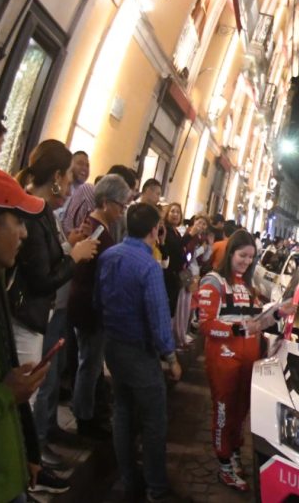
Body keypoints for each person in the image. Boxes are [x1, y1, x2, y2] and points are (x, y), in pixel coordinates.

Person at [10, 140, 98, 487]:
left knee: (32, 393)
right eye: (69, 178)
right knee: (25, 397)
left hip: (37, 316)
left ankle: (27, 467)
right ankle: (24, 472)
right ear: (58, 176)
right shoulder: (31, 211)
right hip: (26, 318)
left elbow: (45, 260)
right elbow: (40, 279)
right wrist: (74, 257)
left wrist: (68, 245)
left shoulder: (41, 210)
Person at [97, 203, 185, 502]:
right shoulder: (148, 266)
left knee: (122, 412)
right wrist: (171, 358)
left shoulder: (109, 255)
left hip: (113, 345)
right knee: (153, 421)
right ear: (154, 230)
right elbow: (158, 317)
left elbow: (98, 299)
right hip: (138, 351)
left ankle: (129, 479)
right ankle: (156, 488)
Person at [195, 229, 294, 490]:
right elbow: (205, 325)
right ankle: (224, 463)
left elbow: (257, 322)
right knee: (224, 411)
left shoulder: (249, 286)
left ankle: (235, 453)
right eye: (242, 255)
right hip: (223, 359)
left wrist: (278, 313)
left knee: (241, 412)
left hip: (249, 358)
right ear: (230, 253)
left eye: (251, 257)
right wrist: (238, 329)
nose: (247, 261)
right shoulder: (213, 282)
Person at [0, 167, 51, 502]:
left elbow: (4, 371)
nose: (24, 234)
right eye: (18, 222)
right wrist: (8, 393)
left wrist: (28, 452)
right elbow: (2, 390)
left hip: (5, 473)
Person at [68, 174, 129, 440]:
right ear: (105, 202)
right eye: (120, 205)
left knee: (90, 363)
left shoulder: (99, 227)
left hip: (90, 303)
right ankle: (84, 418)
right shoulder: (95, 229)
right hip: (89, 305)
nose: (121, 211)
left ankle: (88, 411)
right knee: (89, 365)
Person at [160, 203, 186, 317]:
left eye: (178, 212)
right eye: (172, 211)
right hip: (167, 273)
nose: (175, 214)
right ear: (167, 214)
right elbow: (172, 250)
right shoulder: (165, 230)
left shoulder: (177, 232)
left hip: (176, 275)